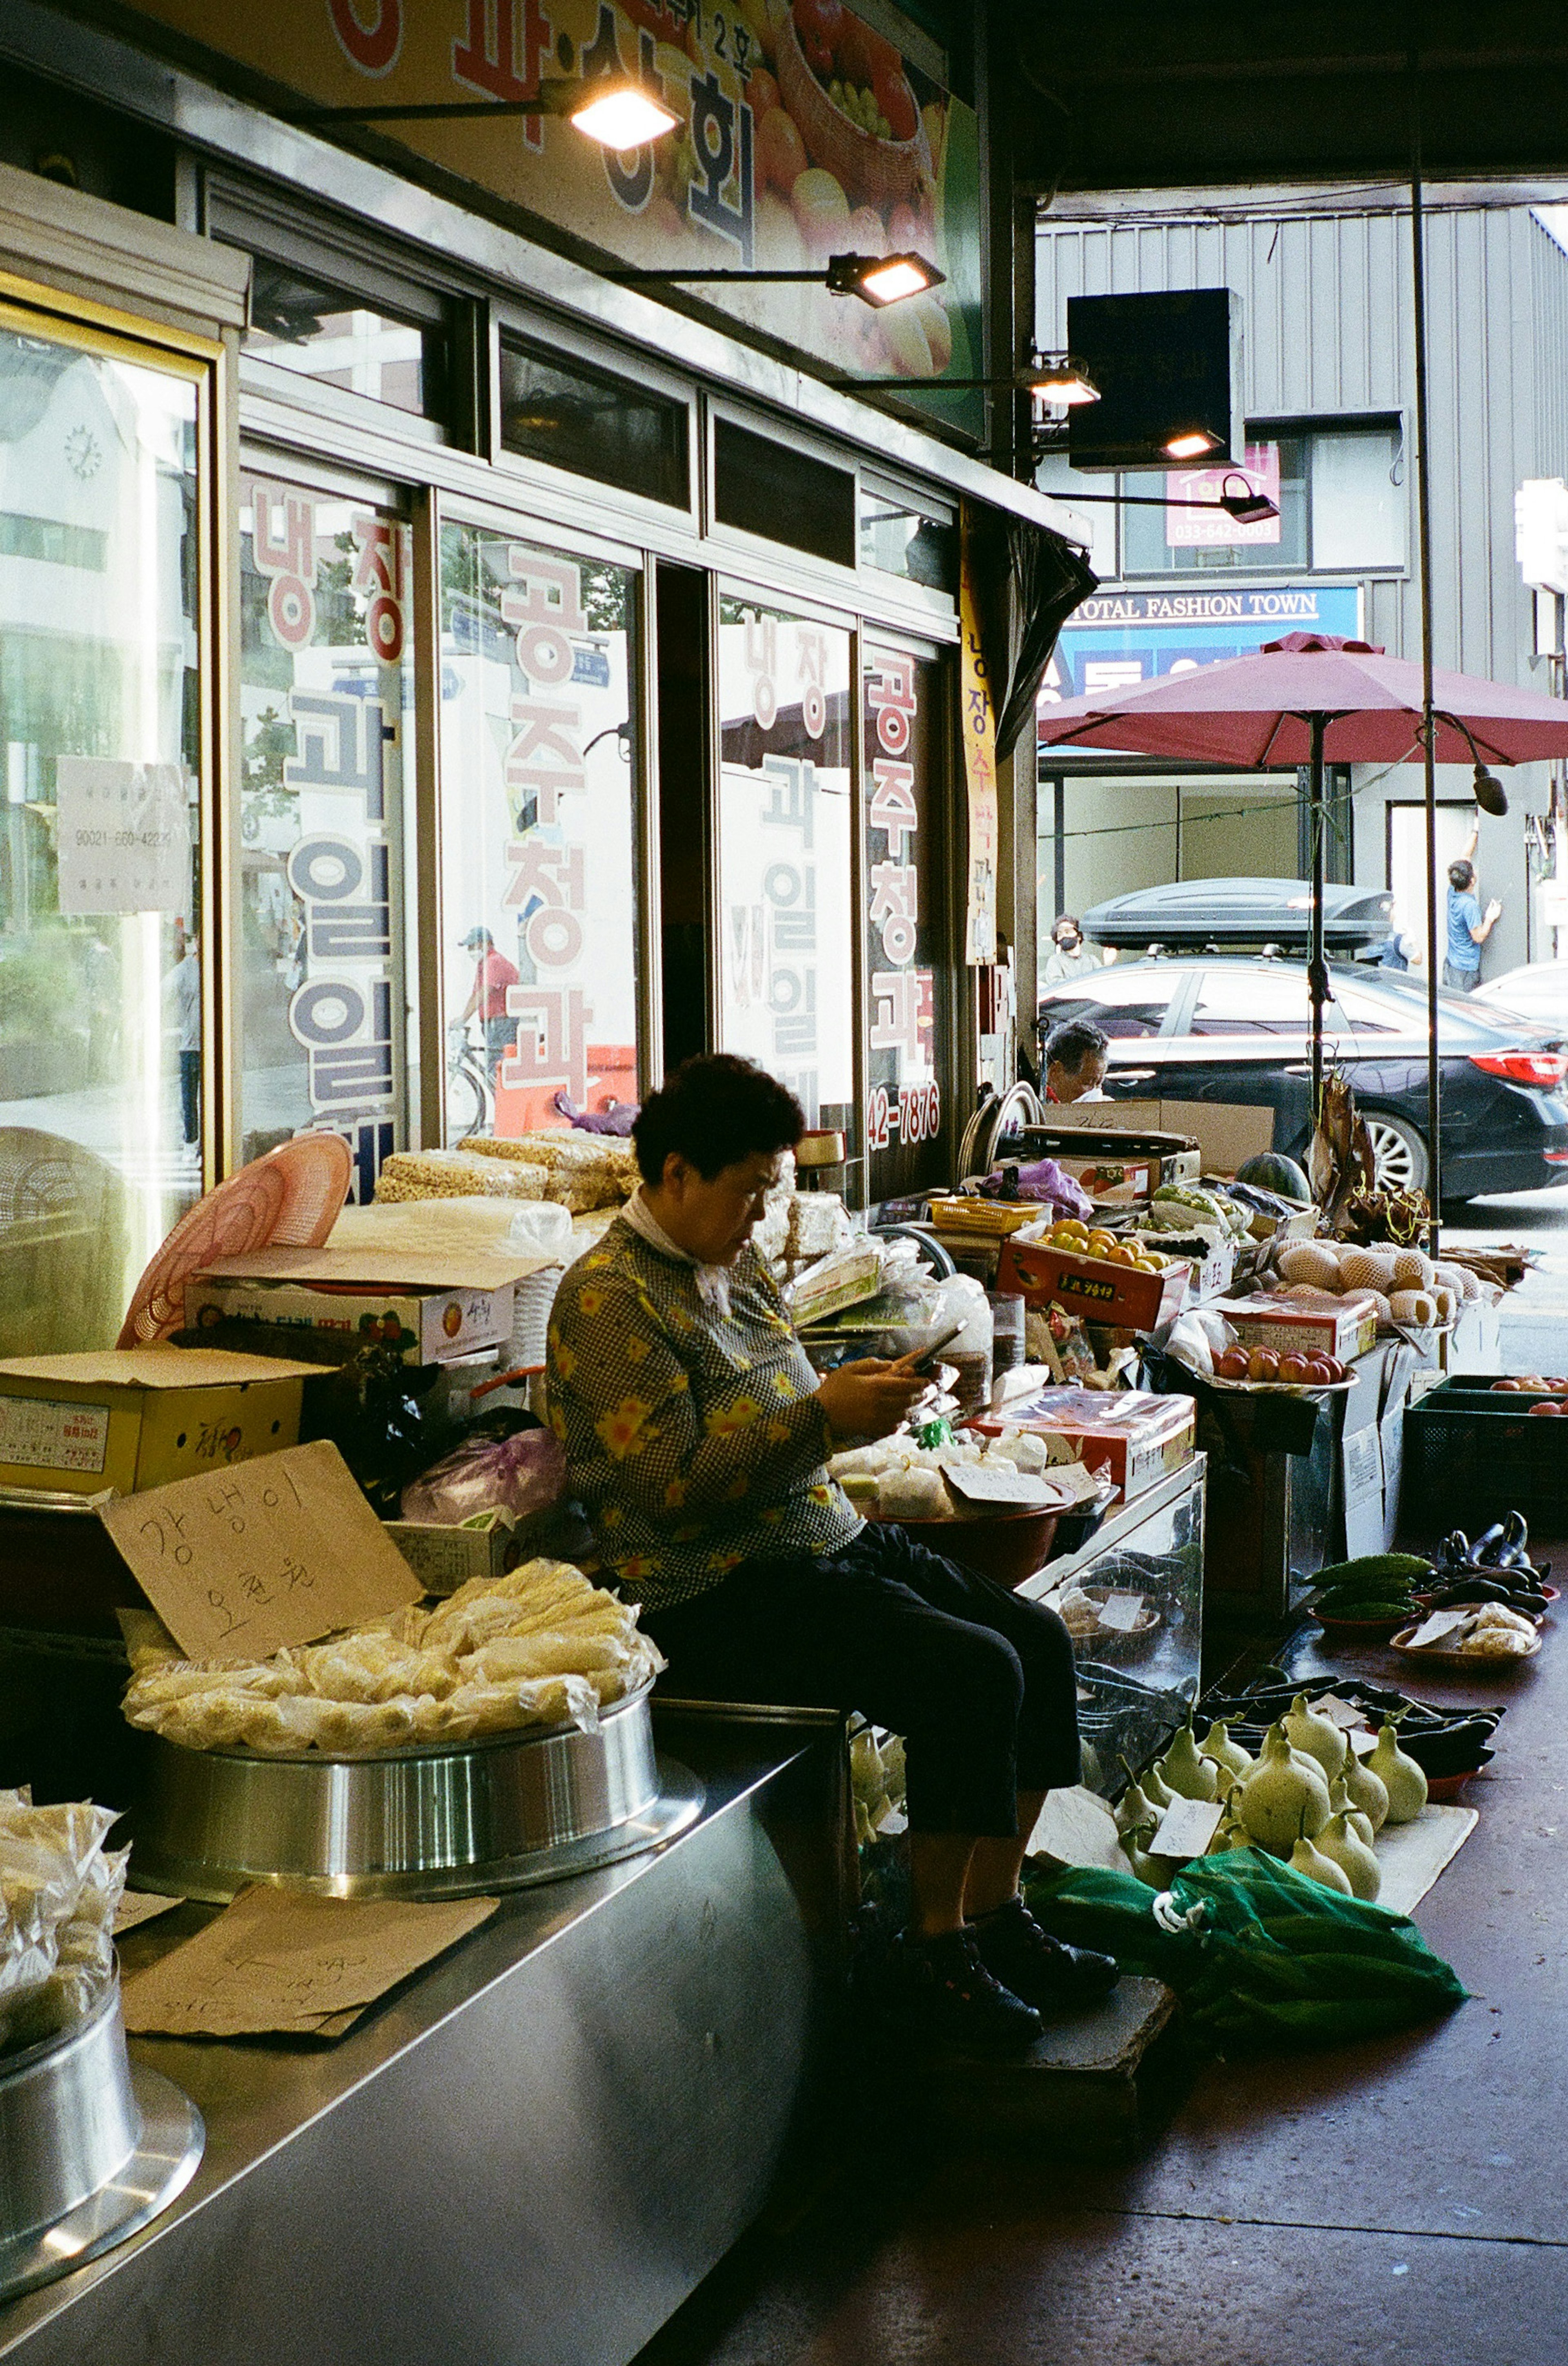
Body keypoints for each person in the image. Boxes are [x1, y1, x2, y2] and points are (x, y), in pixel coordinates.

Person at [545, 1053, 1115, 2052]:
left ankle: (994, 1912)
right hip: (711, 1589)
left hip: (821, 1539)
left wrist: (858, 1399)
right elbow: (662, 1486)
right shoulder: (606, 1301)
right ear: (674, 1172)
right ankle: (930, 1953)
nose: (760, 1212)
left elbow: (785, 1403)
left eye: (772, 1189)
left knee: (1033, 1638)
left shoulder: (733, 1263)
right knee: (969, 1671)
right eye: (747, 1187)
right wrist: (820, 1416)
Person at [458, 927, 520, 1078]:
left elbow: (484, 993)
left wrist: (463, 1019)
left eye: (473, 946)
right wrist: (462, 1018)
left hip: (502, 1023)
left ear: (486, 944)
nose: (471, 950)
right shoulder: (484, 964)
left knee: (498, 1069)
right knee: (495, 1068)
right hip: (495, 1024)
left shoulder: (494, 962)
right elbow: (475, 995)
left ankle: (502, 1101)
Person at [1444, 831, 1501, 991]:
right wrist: (1490, 918)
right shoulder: (1469, 906)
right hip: (1465, 970)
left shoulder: (1453, 890)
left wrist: (1476, 831)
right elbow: (1478, 937)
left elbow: (1466, 855)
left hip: (1451, 964)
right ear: (1472, 881)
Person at [163, 933, 200, 1149]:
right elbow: (164, 993)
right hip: (191, 1044)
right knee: (189, 1097)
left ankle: (204, 1140)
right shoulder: (185, 970)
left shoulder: (219, 966)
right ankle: (191, 1139)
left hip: (212, 1046)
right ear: (196, 942)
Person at [1043, 1018, 1109, 1104]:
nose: (1095, 1093)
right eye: (1087, 1083)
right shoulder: (1030, 1111)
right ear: (1056, 1072)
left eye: (1099, 1084)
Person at [1041, 914, 1098, 984]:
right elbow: (1057, 984)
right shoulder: (1055, 961)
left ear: (1079, 936)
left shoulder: (1092, 960)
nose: (1064, 936)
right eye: (1060, 934)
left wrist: (1109, 963)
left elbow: (1101, 981)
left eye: (1067, 932)